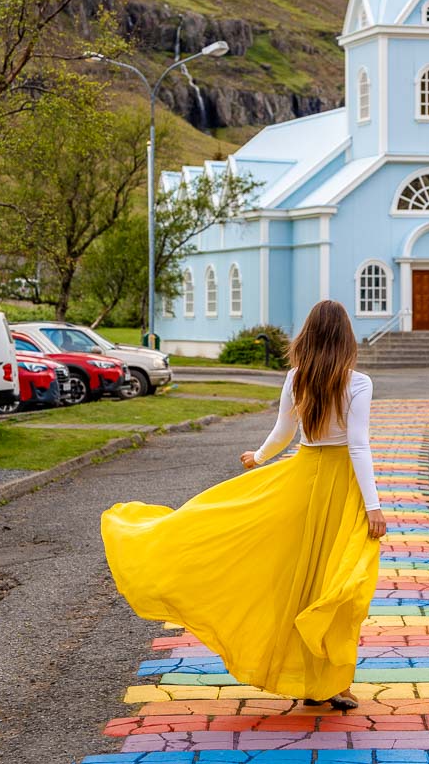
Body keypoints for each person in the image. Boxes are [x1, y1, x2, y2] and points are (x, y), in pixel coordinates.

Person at [102, 299, 386, 709]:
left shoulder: (296, 378)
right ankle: (329, 683)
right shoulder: (357, 383)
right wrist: (373, 506)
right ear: (346, 339)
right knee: (338, 586)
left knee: (300, 581)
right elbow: (357, 446)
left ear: (308, 334)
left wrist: (259, 456)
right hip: (341, 489)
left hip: (304, 481)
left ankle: (316, 682)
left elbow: (283, 432)